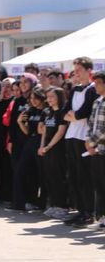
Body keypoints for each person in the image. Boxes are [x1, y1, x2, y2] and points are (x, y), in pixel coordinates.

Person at [63, 57, 98, 227]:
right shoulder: (74, 89)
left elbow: (85, 111)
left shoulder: (92, 89)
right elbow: (64, 110)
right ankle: (80, 210)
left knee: (85, 177)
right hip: (71, 135)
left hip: (84, 136)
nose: (76, 73)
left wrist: (73, 116)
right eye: (75, 70)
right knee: (74, 176)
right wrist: (71, 115)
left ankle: (89, 212)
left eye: (79, 70)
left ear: (88, 71)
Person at [11, 88, 46, 211]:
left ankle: (42, 203)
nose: (33, 101)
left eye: (36, 98)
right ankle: (19, 203)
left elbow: (42, 130)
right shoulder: (30, 111)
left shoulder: (46, 111)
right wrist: (20, 122)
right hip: (30, 143)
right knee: (20, 171)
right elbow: (27, 131)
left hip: (41, 143)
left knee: (41, 174)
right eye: (31, 98)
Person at [38, 87, 69, 219]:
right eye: (48, 97)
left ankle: (62, 207)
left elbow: (61, 131)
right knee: (50, 178)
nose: (49, 99)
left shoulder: (62, 112)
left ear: (59, 97)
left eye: (52, 97)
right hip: (47, 150)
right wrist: (42, 146)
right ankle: (54, 205)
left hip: (58, 150)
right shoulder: (48, 112)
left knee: (58, 178)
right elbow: (45, 131)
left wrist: (49, 146)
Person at [86, 70, 105, 229]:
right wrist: (89, 141)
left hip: (102, 148)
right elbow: (91, 124)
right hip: (96, 149)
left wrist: (91, 142)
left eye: (98, 83)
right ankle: (102, 217)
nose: (95, 86)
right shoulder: (97, 101)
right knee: (98, 184)